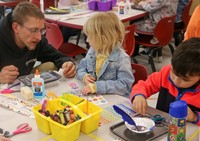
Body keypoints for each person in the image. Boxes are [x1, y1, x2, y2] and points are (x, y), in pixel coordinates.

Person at [0, 2, 76, 84]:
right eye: (33, 30)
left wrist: (67, 63)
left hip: (21, 83)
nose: (39, 37)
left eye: (41, 30)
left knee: (50, 66)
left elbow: (57, 56)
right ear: (16, 27)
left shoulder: (38, 39)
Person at [130, 38, 200, 126]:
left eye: (185, 79)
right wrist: (139, 95)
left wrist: (195, 117)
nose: (176, 80)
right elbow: (144, 85)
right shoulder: (166, 73)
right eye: (173, 72)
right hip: (162, 126)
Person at [76, 12, 134, 96]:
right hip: (97, 96)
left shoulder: (122, 58)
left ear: (104, 39)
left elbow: (125, 85)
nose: (87, 40)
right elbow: (81, 67)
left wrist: (98, 86)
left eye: (90, 37)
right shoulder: (93, 50)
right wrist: (84, 76)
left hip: (114, 99)